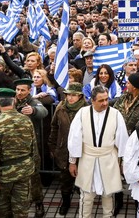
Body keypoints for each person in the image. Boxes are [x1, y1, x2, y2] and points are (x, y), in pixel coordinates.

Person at [68, 86, 129, 218]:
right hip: (87, 159)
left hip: (108, 158)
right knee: (86, 196)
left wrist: (123, 162)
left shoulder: (116, 114)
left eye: (107, 99)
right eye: (101, 100)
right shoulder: (82, 113)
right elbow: (75, 139)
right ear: (92, 100)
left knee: (108, 194)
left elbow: (123, 140)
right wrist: (72, 161)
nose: (105, 103)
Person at [0, 87, 37, 218]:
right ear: (14, 102)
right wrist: (33, 169)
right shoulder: (26, 120)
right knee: (22, 210)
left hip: (4, 175)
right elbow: (34, 148)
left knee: (5, 210)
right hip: (24, 171)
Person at [48, 82, 88, 215]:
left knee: (82, 178)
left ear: (80, 96)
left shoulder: (87, 109)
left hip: (83, 151)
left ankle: (84, 203)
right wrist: (53, 146)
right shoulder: (61, 107)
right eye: (68, 95)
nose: (70, 98)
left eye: (73, 95)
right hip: (63, 150)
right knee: (65, 180)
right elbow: (54, 127)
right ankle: (66, 202)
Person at [12, 78, 47, 218]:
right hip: (13, 147)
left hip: (30, 148)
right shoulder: (12, 101)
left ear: (29, 91)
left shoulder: (32, 101)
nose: (19, 93)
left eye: (22, 90)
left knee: (34, 177)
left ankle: (38, 203)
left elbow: (43, 111)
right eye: (17, 90)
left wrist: (33, 110)